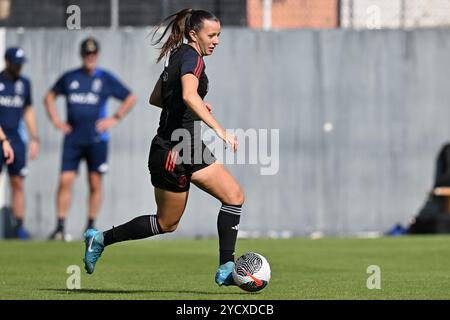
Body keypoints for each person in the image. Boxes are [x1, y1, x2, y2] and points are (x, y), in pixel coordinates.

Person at [83, 9, 245, 287]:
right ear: (194, 35)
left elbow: (157, 98)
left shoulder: (178, 56)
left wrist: (194, 106)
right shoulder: (192, 58)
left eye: (219, 34)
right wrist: (219, 129)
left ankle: (226, 268)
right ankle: (100, 239)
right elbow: (187, 94)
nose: (217, 40)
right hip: (174, 150)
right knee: (167, 223)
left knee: (233, 196)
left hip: (185, 146)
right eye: (212, 35)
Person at [45, 37, 137, 240]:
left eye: (93, 54)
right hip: (73, 139)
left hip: (97, 139)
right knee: (65, 181)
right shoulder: (70, 78)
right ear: (82, 55)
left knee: (95, 182)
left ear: (98, 55)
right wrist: (56, 121)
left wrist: (115, 118)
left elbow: (130, 96)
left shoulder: (105, 78)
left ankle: (90, 226)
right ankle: (60, 226)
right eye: (87, 54)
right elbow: (49, 97)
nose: (90, 57)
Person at [0, 47, 39, 239]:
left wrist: (34, 138)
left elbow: (28, 110)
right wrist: (3, 139)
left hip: (16, 141)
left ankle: (19, 227)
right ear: (7, 62)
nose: (19, 68)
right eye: (16, 64)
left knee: (17, 182)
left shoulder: (24, 84)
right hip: (2, 139)